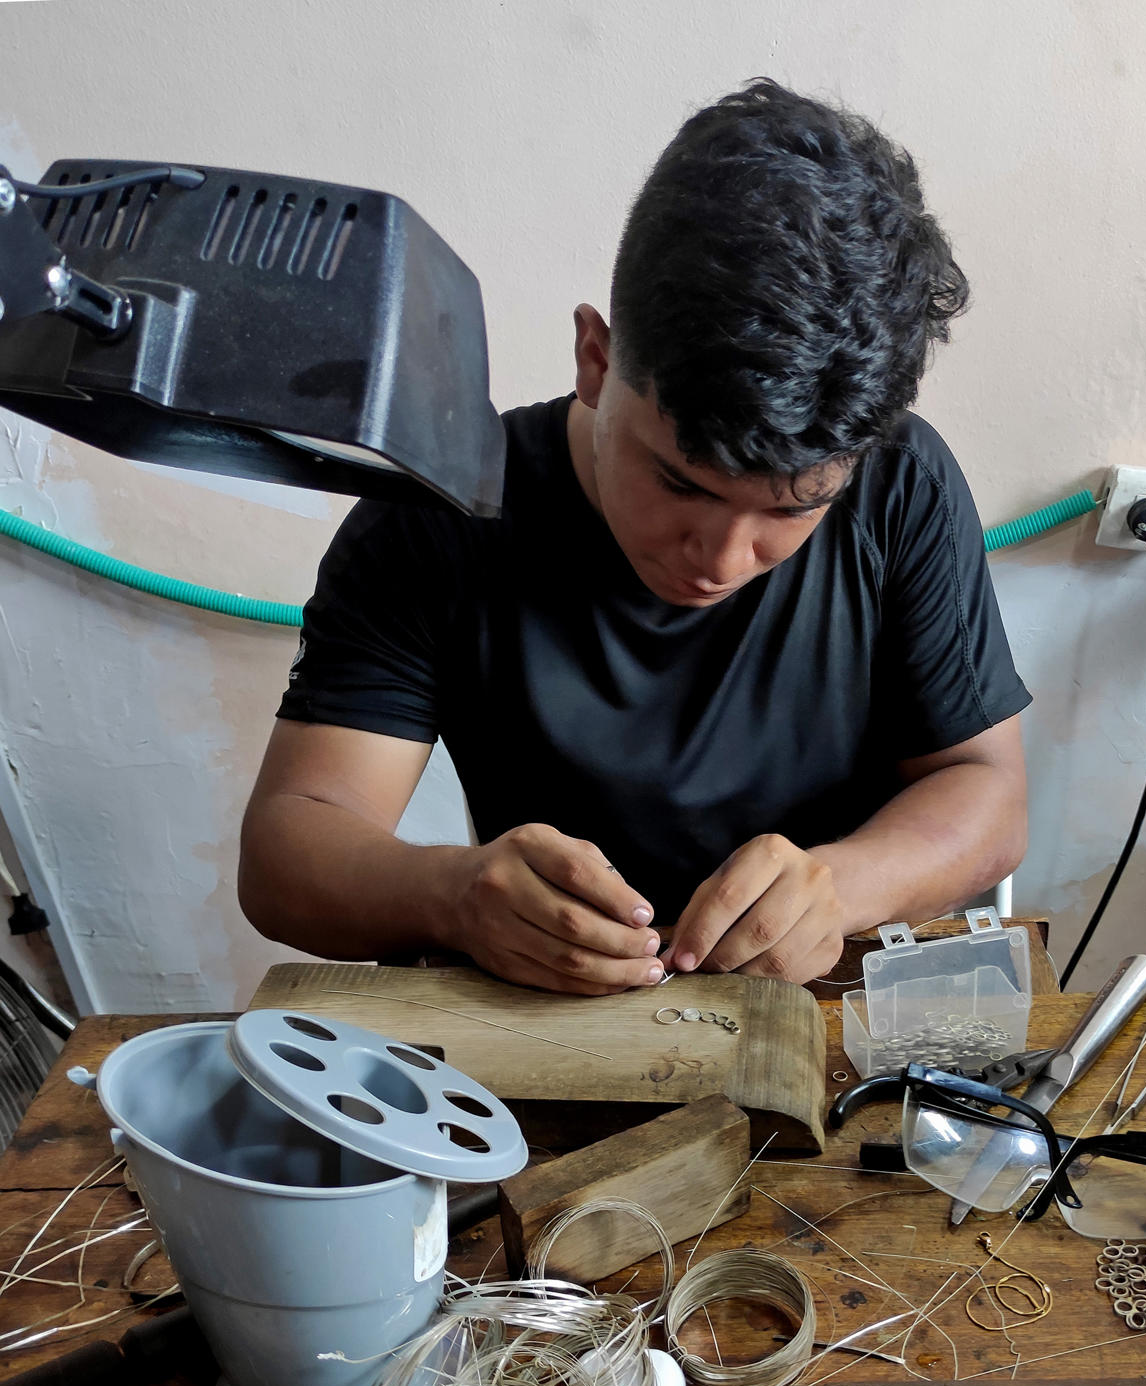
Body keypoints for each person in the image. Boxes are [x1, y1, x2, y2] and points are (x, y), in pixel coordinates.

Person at [240, 80, 1029, 996]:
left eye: (792, 509)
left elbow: (987, 790)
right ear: (596, 359)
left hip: (821, 1002)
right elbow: (290, 845)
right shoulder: (437, 519)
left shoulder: (902, 481)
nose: (723, 559)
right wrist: (451, 895)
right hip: (544, 1010)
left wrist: (843, 884)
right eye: (679, 482)